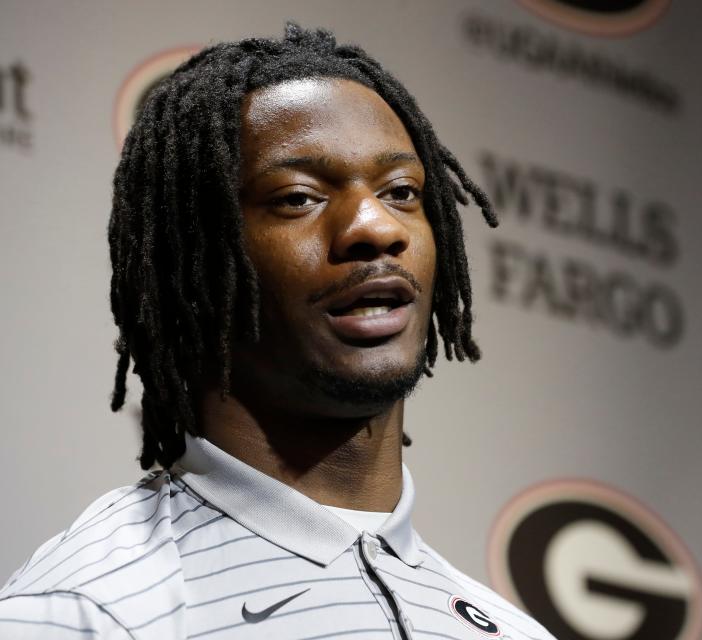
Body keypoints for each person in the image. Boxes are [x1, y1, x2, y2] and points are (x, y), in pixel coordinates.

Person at [0, 24, 555, 640]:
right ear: (193, 259)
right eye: (297, 198)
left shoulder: (511, 631)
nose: (375, 226)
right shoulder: (90, 611)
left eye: (401, 191)